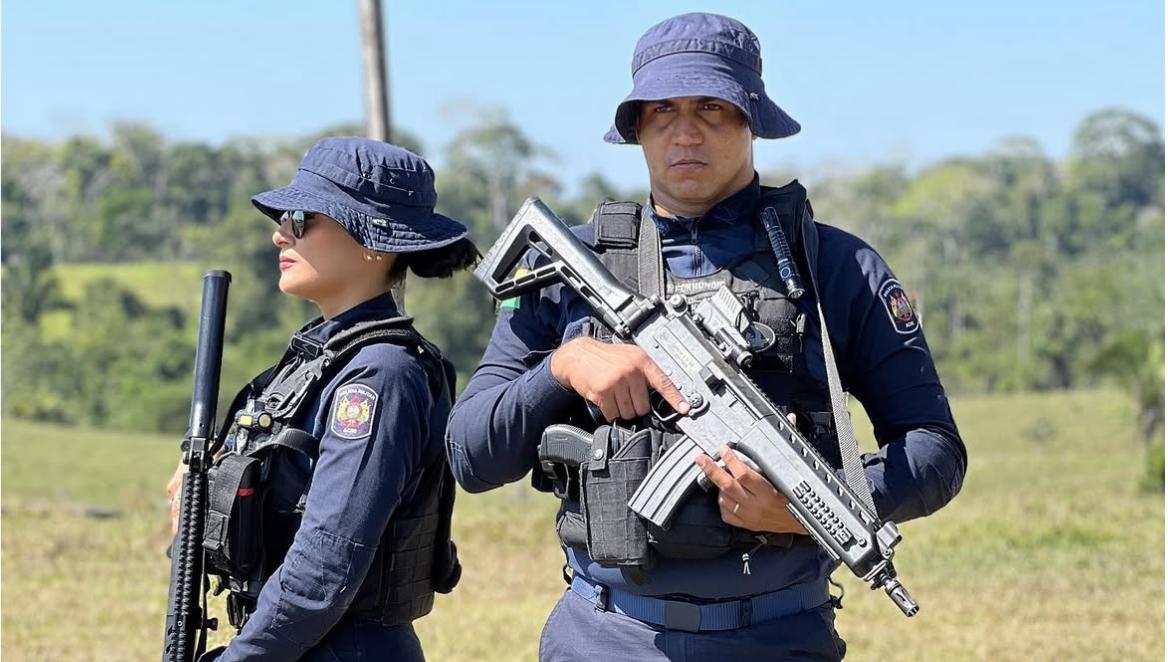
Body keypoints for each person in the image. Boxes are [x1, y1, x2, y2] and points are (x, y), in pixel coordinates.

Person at [446, 12, 966, 661]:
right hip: (604, 639)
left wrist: (807, 504)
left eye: (711, 108)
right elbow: (470, 455)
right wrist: (565, 368)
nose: (685, 132)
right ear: (636, 126)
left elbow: (936, 453)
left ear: (752, 118)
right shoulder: (570, 270)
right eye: (662, 110)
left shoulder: (834, 265)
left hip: (777, 639)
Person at [166, 137, 476, 661]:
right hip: (289, 644)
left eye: (303, 219)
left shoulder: (380, 376)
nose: (279, 234)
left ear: (373, 240)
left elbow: (325, 565)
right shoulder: (317, 358)